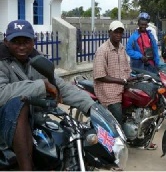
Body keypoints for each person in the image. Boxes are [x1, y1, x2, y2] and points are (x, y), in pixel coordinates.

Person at [0, 19, 95, 170]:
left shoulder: (37, 60)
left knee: (68, 131)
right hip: (5, 124)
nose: (22, 46)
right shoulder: (1, 61)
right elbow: (2, 93)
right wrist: (41, 85)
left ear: (34, 41)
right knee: (19, 104)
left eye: (26, 41)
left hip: (35, 120)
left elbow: (61, 87)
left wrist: (92, 107)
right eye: (16, 42)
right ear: (6, 42)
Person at [93, 20, 157, 150]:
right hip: (107, 88)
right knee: (117, 117)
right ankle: (117, 146)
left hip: (123, 84)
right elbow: (100, 75)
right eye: (116, 31)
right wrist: (121, 81)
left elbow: (126, 69)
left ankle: (138, 137)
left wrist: (134, 78)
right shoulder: (102, 50)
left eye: (120, 32)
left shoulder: (121, 48)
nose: (118, 34)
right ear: (109, 32)